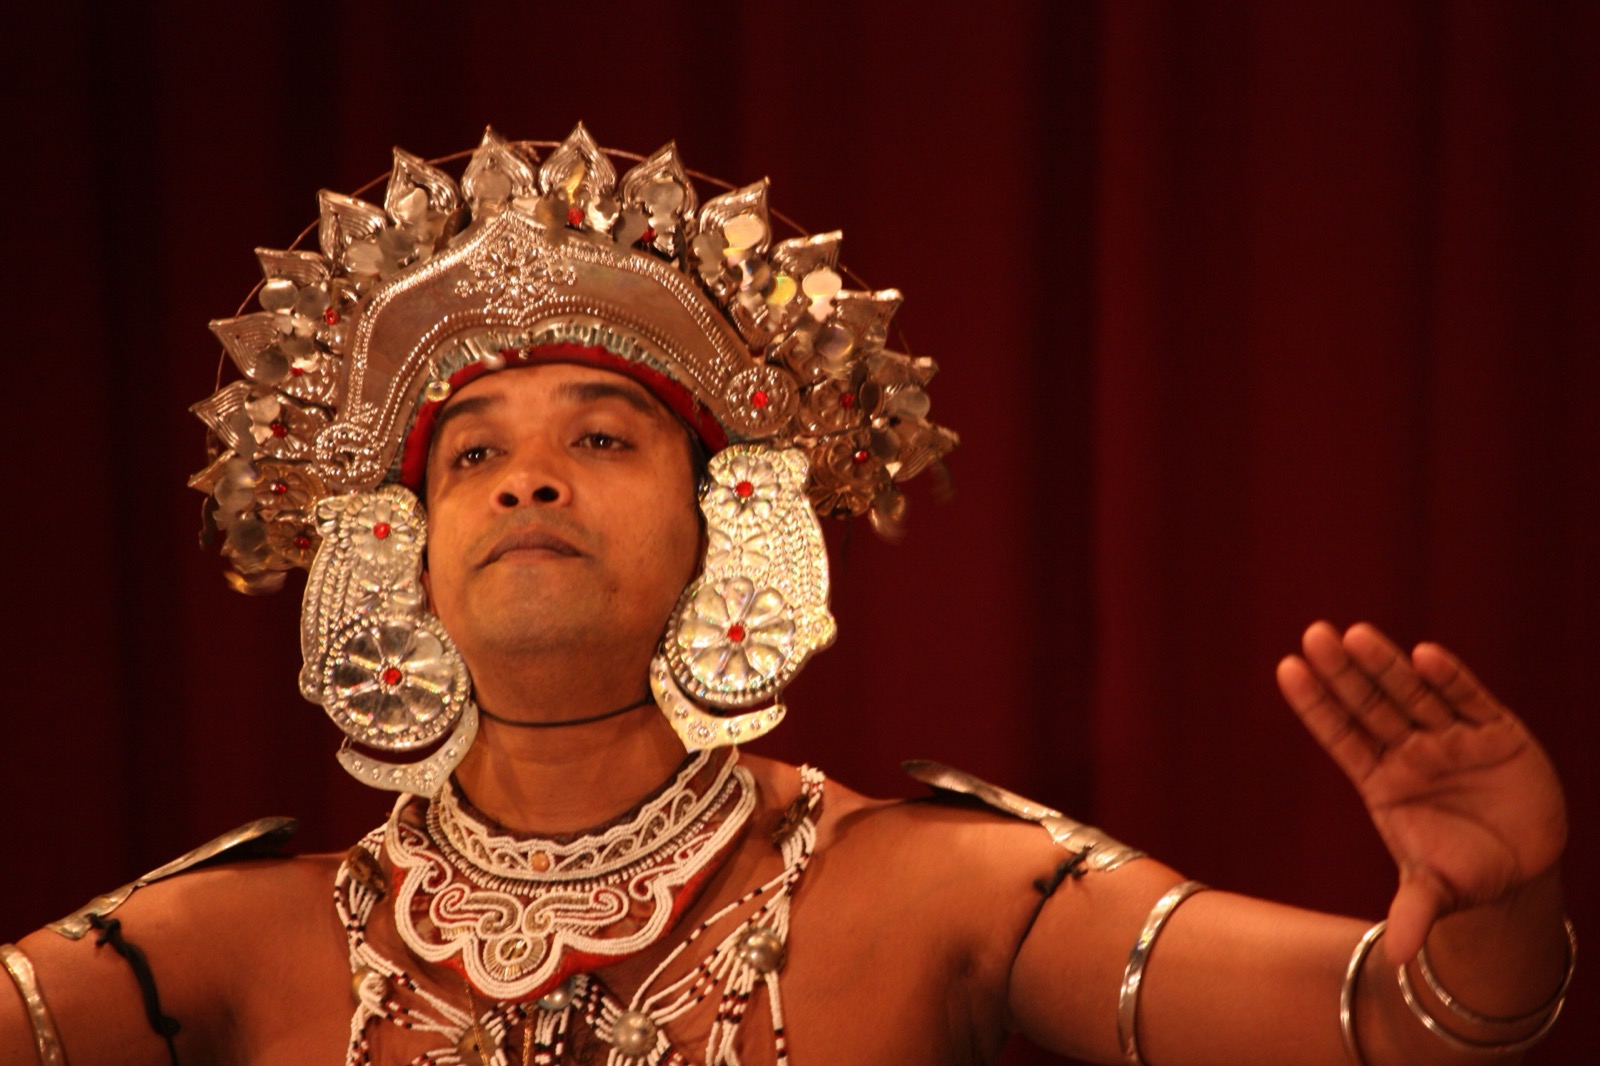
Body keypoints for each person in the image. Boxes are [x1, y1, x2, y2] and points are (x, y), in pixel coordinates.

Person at [0, 125, 1573, 1066]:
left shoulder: (931, 892)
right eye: (472, 453)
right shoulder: (226, 941)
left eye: (599, 438)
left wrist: (1491, 908)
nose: (526, 480)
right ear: (395, 551)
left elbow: (1401, 1023)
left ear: (730, 521)